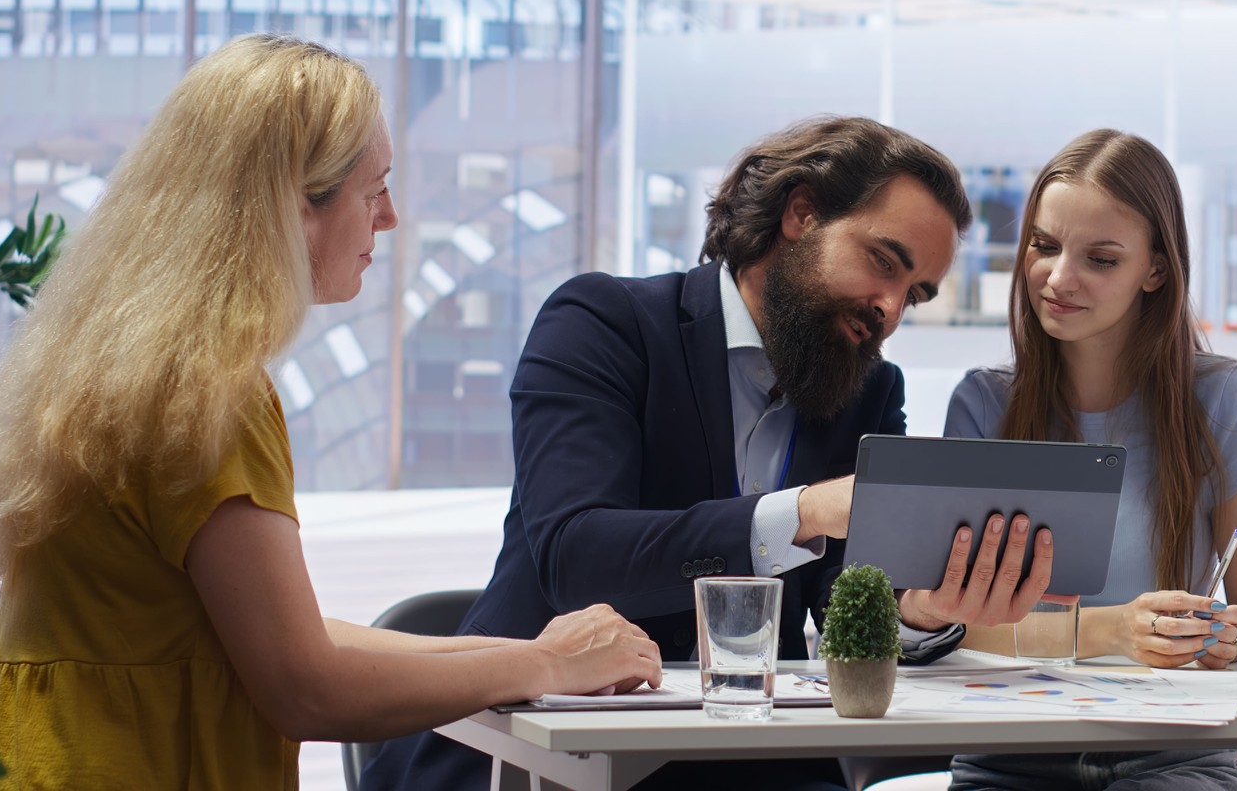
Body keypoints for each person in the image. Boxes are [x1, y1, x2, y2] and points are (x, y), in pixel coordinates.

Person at [0, 35, 661, 789]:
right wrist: (543, 663)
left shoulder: (108, 357)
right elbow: (304, 688)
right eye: (374, 188)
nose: (389, 218)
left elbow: (262, 634)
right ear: (293, 205)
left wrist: (532, 654)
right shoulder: (211, 393)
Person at [367, 116, 1066, 791]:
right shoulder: (604, 324)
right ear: (801, 214)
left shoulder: (868, 390)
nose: (889, 307)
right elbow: (575, 557)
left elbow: (844, 603)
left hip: (748, 756)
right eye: (883, 262)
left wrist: (919, 608)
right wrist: (802, 512)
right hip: (535, 748)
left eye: (913, 294)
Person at [945, 129, 1237, 791]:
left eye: (1100, 259)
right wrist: (1115, 631)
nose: (1059, 278)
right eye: (1044, 247)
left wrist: (1232, 633)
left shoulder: (1218, 396)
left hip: (1175, 750)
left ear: (1154, 270)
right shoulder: (984, 403)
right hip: (1009, 753)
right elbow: (956, 628)